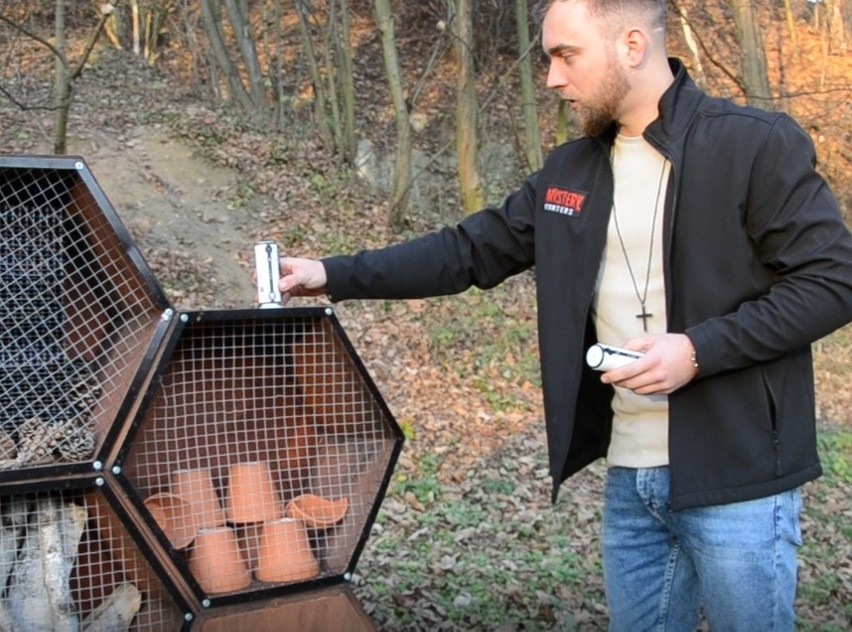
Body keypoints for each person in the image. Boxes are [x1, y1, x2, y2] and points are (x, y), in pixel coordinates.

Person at [272, 0, 852, 629]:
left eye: (565, 55)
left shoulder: (752, 146)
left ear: (632, 45)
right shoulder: (570, 170)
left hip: (740, 480)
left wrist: (699, 350)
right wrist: (331, 274)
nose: (551, 78)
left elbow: (834, 280)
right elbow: (470, 251)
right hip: (631, 483)